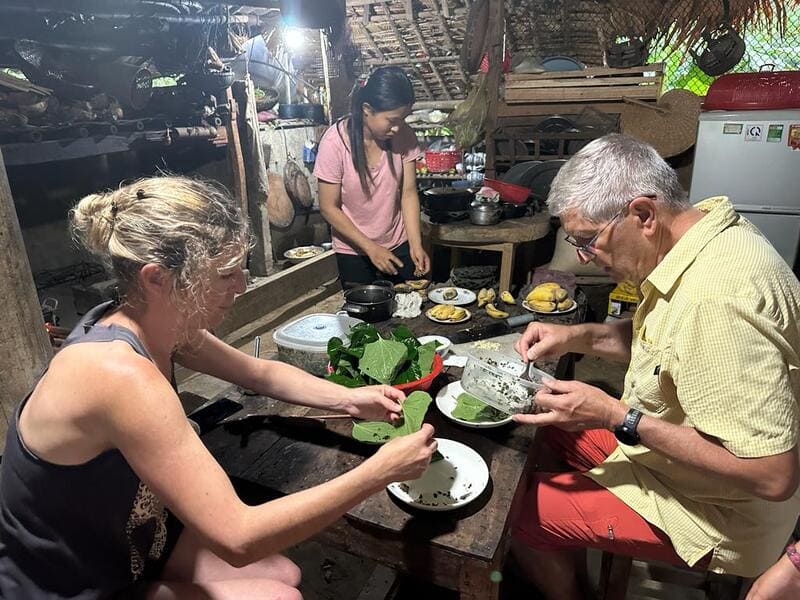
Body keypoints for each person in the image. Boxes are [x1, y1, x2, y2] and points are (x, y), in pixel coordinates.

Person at [0, 176, 437, 599]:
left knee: (284, 572)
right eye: (226, 273)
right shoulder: (118, 374)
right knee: (278, 594)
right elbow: (238, 537)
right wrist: (381, 470)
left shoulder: (154, 319)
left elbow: (259, 374)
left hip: (125, 539)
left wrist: (350, 398)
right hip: (69, 582)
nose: (241, 286)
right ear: (157, 278)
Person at [508, 134, 800, 600]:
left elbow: (772, 474)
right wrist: (578, 334)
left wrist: (618, 416)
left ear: (643, 214)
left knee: (519, 514)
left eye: (589, 241)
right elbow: (668, 343)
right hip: (676, 467)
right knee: (543, 425)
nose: (585, 257)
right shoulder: (700, 236)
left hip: (717, 512)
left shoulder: (718, 300)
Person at [315, 66, 430, 287]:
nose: (398, 128)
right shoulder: (334, 143)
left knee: (411, 309)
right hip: (354, 250)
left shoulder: (404, 136)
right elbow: (329, 207)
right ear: (367, 109)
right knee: (363, 319)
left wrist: (416, 244)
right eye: (392, 120)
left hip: (398, 244)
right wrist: (370, 248)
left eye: (403, 119)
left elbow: (408, 193)